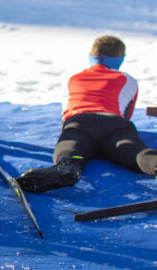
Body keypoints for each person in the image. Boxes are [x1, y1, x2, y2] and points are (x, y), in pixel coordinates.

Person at [17, 36, 157, 193]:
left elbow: (65, 114)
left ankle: (68, 167)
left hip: (80, 122)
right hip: (115, 124)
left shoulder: (74, 78)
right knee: (135, 152)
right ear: (120, 58)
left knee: (71, 151)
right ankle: (153, 162)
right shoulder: (127, 79)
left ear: (92, 56)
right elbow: (127, 114)